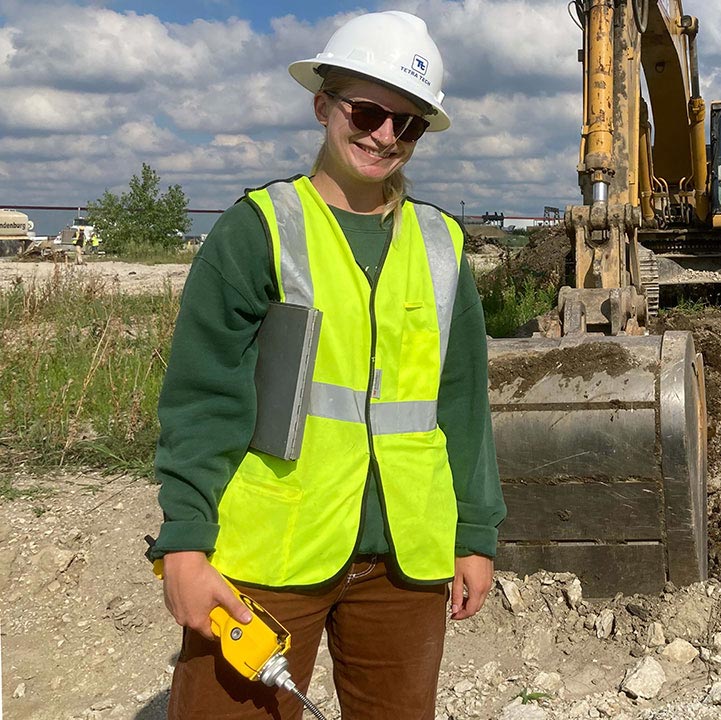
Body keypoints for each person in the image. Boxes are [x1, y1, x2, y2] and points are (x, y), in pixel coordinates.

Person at [146, 11, 506, 719]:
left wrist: (476, 535)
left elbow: (462, 404)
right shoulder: (260, 230)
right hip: (273, 553)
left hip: (405, 562)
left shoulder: (441, 248)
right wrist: (185, 539)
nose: (384, 136)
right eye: (368, 111)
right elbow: (202, 396)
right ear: (323, 105)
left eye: (407, 124)